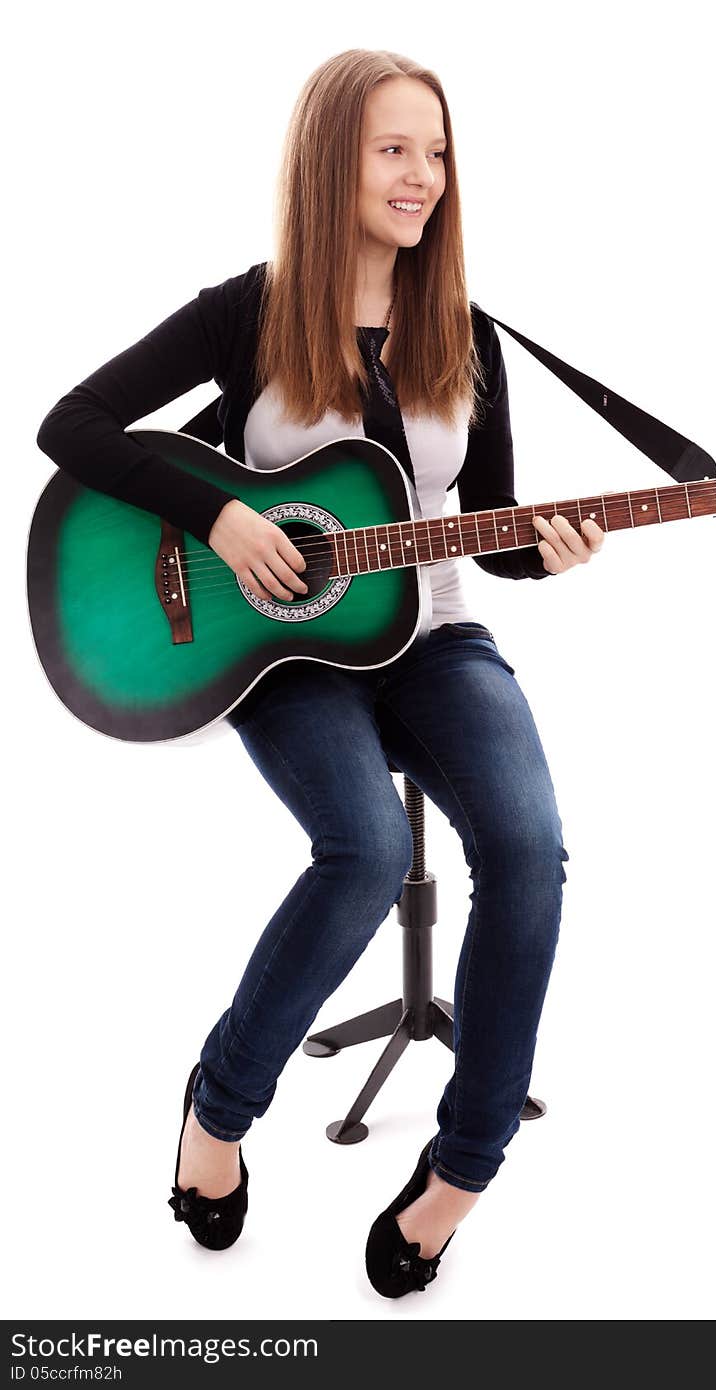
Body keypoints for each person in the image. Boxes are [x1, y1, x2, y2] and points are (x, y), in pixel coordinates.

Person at [35, 48, 604, 1299]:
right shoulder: (251, 308)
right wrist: (226, 517)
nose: (421, 177)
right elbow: (68, 425)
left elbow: (486, 525)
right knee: (354, 849)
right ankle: (219, 1111)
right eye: (393, 149)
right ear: (330, 159)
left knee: (528, 848)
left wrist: (545, 559)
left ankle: (462, 1168)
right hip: (283, 644)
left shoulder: (470, 335)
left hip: (436, 630)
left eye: (437, 152)